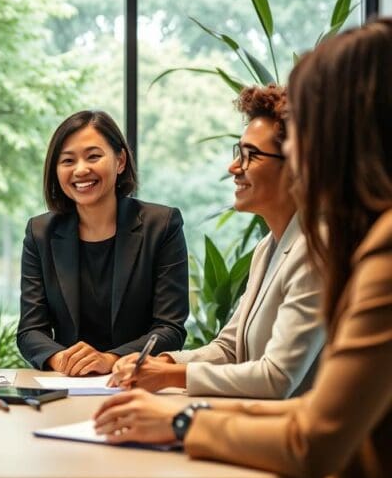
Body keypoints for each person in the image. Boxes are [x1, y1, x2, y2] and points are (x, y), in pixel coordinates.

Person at [94, 18, 392, 478]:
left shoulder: (376, 251)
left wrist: (183, 420)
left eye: (303, 130)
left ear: (341, 135)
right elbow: (244, 357)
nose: (298, 150)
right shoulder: (300, 245)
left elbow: (311, 431)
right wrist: (170, 377)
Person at [109, 85, 324, 399]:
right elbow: (229, 348)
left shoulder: (315, 251)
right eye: (239, 153)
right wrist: (164, 362)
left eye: (250, 156)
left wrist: (170, 375)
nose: (234, 167)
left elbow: (278, 377)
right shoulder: (268, 247)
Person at [17, 110, 188, 376]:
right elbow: (30, 331)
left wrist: (110, 360)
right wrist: (61, 359)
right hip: (67, 383)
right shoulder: (40, 232)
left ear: (120, 161)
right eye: (67, 160)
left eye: (93, 156)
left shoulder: (162, 225)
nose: (81, 169)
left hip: (137, 381)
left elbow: (170, 328)